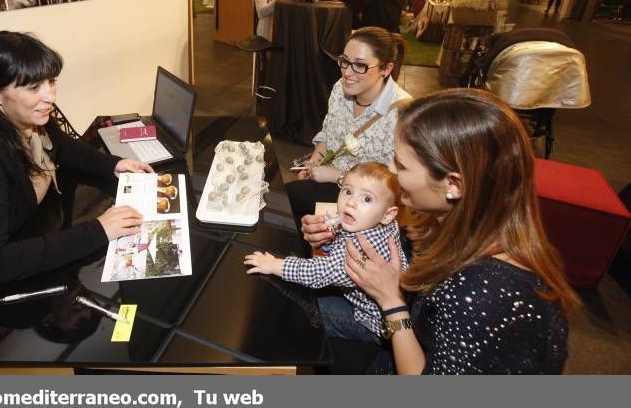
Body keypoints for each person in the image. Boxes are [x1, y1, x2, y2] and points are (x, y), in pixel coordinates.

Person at [326, 89, 579, 374]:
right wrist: (336, 227)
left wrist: (391, 302)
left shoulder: (484, 295)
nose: (391, 169)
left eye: (402, 164)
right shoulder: (459, 223)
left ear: (453, 185)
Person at [0, 31, 153, 305]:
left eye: (51, 81)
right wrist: (98, 229)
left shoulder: (22, 118)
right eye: (34, 87)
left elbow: (62, 146)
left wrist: (114, 164)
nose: (49, 95)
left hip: (32, 237)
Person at [244, 162, 408, 343]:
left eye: (367, 199)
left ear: (388, 215)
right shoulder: (378, 221)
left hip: (373, 321)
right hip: (374, 295)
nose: (351, 202)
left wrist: (274, 265)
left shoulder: (363, 251)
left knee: (305, 308)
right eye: (347, 191)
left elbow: (318, 272)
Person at [286, 27, 411, 223]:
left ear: (386, 69)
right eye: (345, 61)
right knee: (289, 205)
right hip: (328, 179)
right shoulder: (340, 88)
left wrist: (336, 176)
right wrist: (313, 164)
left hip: (364, 203)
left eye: (360, 66)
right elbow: (327, 134)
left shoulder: (402, 113)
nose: (347, 72)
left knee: (287, 200)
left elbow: (392, 185)